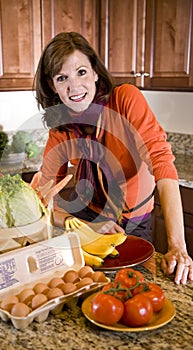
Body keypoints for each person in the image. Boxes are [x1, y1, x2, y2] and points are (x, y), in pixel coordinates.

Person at [32, 31, 193, 285]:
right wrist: (80, 224)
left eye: (81, 72)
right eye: (62, 78)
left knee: (135, 287)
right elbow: (42, 201)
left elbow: (161, 162)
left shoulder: (126, 99)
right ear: (53, 86)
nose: (74, 87)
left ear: (96, 72)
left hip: (135, 220)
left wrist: (178, 247)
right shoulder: (60, 130)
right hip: (89, 221)